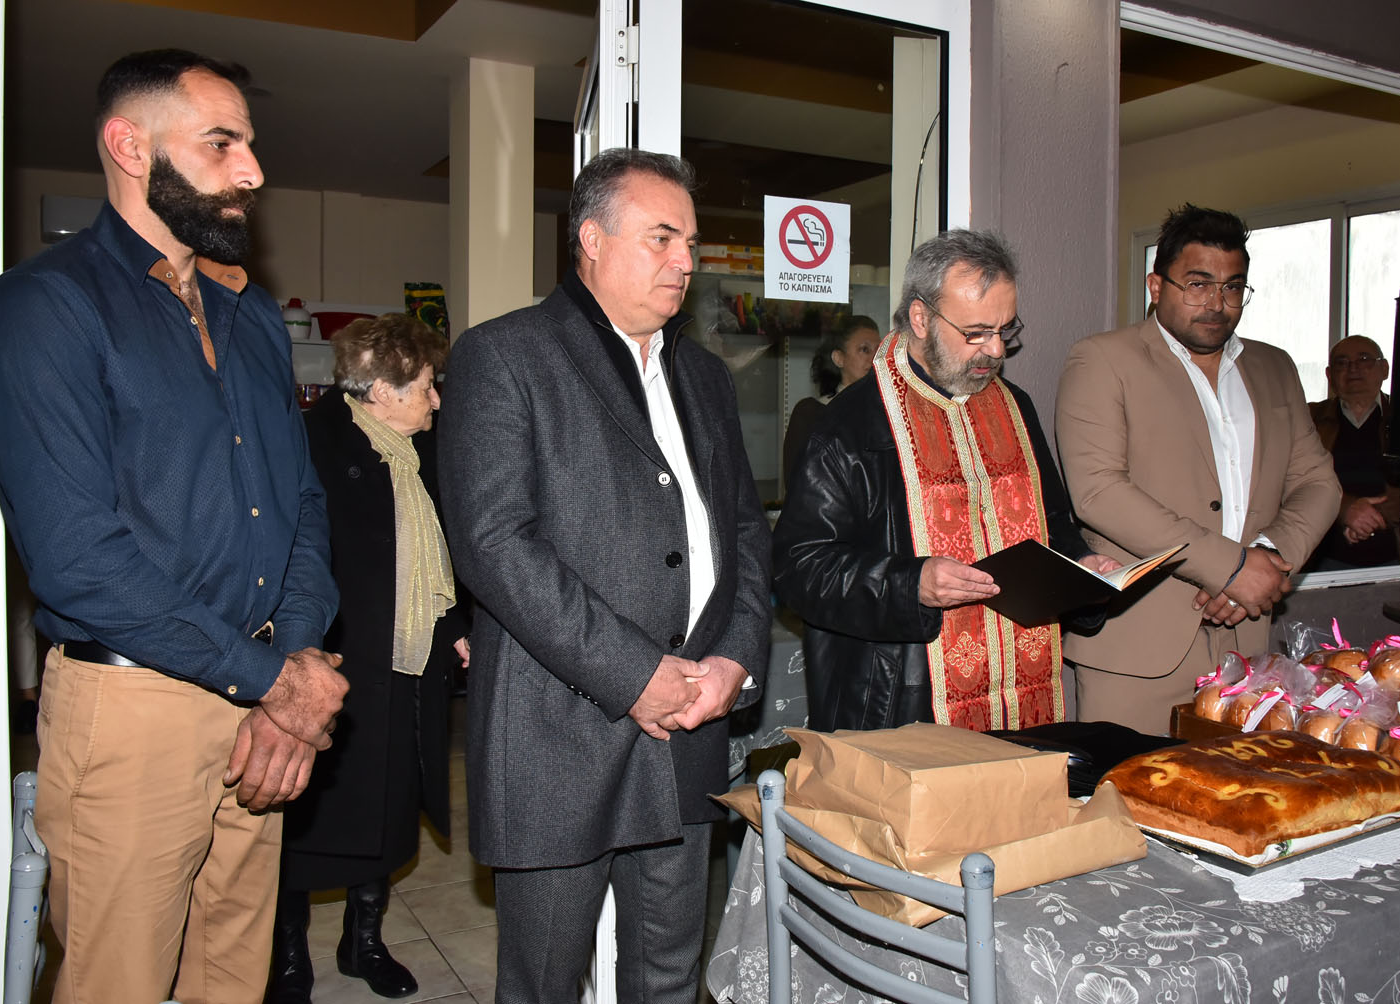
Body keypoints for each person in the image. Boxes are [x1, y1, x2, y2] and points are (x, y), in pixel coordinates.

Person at [0, 49, 346, 1004]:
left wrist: (294, 663)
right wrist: (277, 682)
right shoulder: (43, 307)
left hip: (266, 698)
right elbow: (77, 561)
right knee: (119, 984)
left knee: (233, 976)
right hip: (136, 707)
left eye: (249, 144)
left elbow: (300, 506)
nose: (252, 170)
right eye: (221, 144)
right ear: (129, 147)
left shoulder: (251, 318)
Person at [438, 147, 772, 1004]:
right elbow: (494, 544)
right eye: (662, 238)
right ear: (591, 238)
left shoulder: (704, 375)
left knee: (668, 975)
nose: (685, 261)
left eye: (690, 242)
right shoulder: (504, 355)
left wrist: (734, 659)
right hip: (558, 732)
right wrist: (635, 673)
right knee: (545, 982)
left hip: (689, 724)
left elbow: (743, 531)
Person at [773, 230, 1117, 732]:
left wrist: (1082, 566)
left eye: (1005, 329)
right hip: (901, 703)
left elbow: (1054, 525)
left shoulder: (1016, 407)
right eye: (976, 332)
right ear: (920, 318)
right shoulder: (848, 425)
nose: (995, 350)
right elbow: (798, 570)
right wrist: (910, 584)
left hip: (1020, 699)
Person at [1056, 203, 1340, 734]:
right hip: (1138, 648)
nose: (1216, 303)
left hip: (1247, 644)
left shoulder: (1275, 367)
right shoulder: (1103, 360)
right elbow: (1099, 493)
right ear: (1155, 286)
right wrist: (1230, 569)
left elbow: (1318, 483)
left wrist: (1266, 561)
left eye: (1233, 288)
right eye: (1197, 284)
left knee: (1238, 785)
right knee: (1129, 787)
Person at [269, 314, 470, 1003]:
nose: (437, 399)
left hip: (409, 665)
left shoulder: (421, 450)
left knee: (390, 807)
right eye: (426, 386)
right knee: (311, 816)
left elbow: (442, 554)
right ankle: (287, 954)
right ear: (382, 390)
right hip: (335, 666)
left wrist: (456, 626)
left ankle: (364, 942)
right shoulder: (311, 444)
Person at [1306, 335, 1400, 568]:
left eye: (1364, 359)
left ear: (1385, 369)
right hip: (1321, 553)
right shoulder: (1308, 418)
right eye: (1342, 362)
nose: (1353, 368)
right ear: (1329, 375)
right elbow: (1292, 480)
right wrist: (1345, 509)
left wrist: (1368, 518)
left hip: (1397, 553)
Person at [781, 315, 881, 489]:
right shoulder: (811, 413)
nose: (875, 359)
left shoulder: (888, 413)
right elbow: (797, 484)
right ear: (838, 358)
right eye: (864, 350)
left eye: (879, 351)